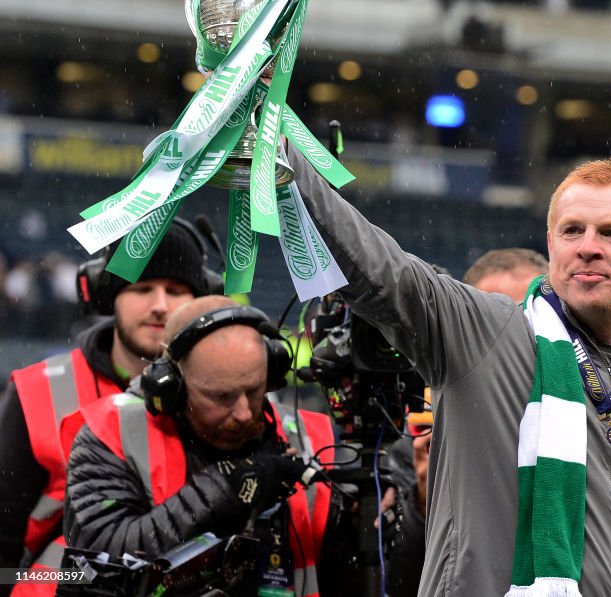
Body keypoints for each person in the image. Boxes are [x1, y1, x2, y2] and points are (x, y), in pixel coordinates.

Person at [289, 150, 611, 596]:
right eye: (571, 231)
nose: (588, 247)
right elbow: (382, 272)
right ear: (551, 245)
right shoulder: (486, 334)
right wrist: (283, 154)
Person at [62, 295, 413, 595]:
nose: (244, 412)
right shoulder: (111, 433)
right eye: (222, 396)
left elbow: (345, 581)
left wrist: (362, 530)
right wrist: (231, 486)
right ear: (171, 386)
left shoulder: (310, 436)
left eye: (254, 390)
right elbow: (96, 563)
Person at [0, 218, 216, 593]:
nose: (160, 306)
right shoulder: (37, 392)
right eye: (142, 287)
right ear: (105, 294)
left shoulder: (230, 395)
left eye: (176, 289)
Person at [388, 247, 550, 596]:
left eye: (523, 317)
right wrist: (420, 508)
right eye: (488, 317)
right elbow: (389, 579)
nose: (505, 333)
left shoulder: (592, 422)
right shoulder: (417, 441)